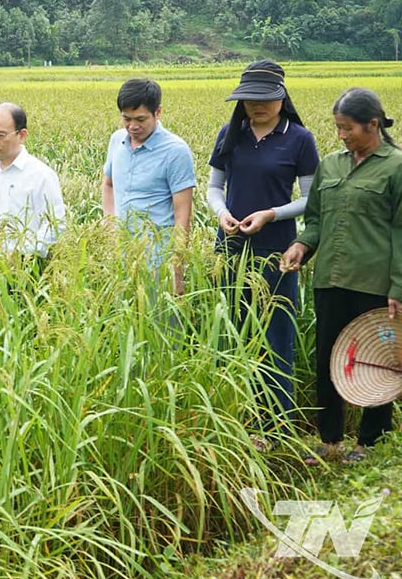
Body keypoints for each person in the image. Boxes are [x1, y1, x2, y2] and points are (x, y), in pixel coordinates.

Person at [281, 88, 402, 464]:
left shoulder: (397, 166)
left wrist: (398, 286)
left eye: (348, 128)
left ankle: (370, 441)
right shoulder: (331, 165)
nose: (341, 135)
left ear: (373, 124)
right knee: (329, 359)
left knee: (379, 361)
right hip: (330, 280)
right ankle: (329, 439)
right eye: (337, 127)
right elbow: (316, 219)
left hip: (375, 283)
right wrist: (302, 245)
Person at [206, 61, 318, 440]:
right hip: (231, 249)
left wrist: (271, 214)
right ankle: (237, 422)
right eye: (249, 99)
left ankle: (276, 427)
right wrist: (222, 213)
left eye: (264, 99)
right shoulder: (230, 134)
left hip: (277, 253)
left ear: (281, 97)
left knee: (275, 336)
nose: (256, 105)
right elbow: (214, 187)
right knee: (234, 333)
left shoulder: (299, 138)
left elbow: (310, 198)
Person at [102, 78, 195, 293]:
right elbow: (108, 184)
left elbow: (182, 215)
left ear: (158, 112)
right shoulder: (117, 141)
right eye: (126, 119)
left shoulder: (176, 151)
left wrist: (176, 269)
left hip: (158, 259)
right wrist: (109, 223)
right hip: (121, 255)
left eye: (140, 119)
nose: (132, 126)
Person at [0, 101, 65, 258]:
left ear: (22, 135)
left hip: (25, 265)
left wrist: (22, 255)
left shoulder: (41, 175)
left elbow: (54, 226)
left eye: (0, 135)